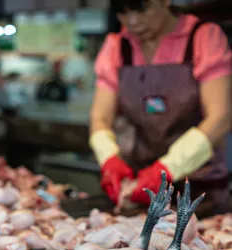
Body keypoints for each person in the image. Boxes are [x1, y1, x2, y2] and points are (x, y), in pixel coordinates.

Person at [89, 0, 232, 213]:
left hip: (199, 190)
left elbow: (221, 117)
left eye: (142, 9)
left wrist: (168, 168)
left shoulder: (203, 37)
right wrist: (110, 159)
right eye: (123, 13)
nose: (133, 22)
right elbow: (100, 117)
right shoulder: (118, 45)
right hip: (140, 189)